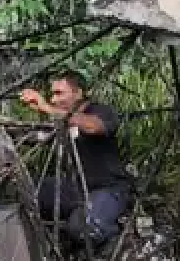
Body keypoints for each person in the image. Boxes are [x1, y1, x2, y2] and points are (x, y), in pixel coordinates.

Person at [19, 70, 131, 250]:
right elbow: (40, 137)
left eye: (59, 93)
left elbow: (94, 127)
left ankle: (116, 235)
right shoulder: (61, 119)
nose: (53, 100)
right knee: (26, 190)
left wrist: (46, 108)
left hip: (108, 190)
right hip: (75, 188)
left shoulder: (101, 111)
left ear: (78, 93)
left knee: (84, 228)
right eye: (52, 95)